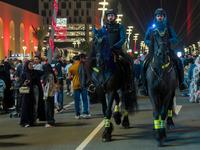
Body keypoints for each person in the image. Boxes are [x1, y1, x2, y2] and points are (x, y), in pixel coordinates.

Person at [140, 8, 188, 96]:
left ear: (164, 17)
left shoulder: (168, 26)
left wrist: (166, 42)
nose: (159, 17)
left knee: (178, 62)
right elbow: (145, 39)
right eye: (158, 16)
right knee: (144, 64)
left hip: (167, 51)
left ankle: (182, 84)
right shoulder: (151, 27)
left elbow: (175, 38)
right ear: (155, 17)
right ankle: (144, 86)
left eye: (161, 16)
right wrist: (152, 43)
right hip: (154, 52)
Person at [20, 60, 45, 127]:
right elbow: (22, 84)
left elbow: (44, 72)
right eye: (30, 65)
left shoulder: (36, 72)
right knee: (27, 106)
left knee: (35, 105)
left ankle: (34, 120)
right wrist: (25, 83)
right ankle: (26, 121)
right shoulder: (24, 73)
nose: (31, 66)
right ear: (27, 66)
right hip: (28, 91)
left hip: (36, 89)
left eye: (32, 64)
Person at [79, 54, 90, 118]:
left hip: (82, 84)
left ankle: (85, 111)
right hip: (84, 84)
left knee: (84, 98)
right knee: (84, 98)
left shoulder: (85, 65)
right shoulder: (86, 64)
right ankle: (85, 111)